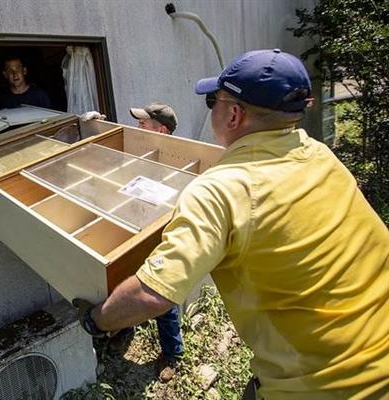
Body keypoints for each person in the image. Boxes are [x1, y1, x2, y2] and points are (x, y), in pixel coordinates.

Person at [73, 49, 389, 399]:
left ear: (234, 113)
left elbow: (152, 295)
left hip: (323, 387)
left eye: (213, 100)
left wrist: (96, 320)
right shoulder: (320, 155)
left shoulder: (220, 189)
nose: (211, 107)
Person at [82, 102, 183, 383]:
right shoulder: (142, 145)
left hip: (159, 236)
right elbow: (114, 148)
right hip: (132, 227)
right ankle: (125, 328)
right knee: (125, 283)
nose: (138, 127)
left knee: (161, 294)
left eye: (143, 123)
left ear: (161, 130)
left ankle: (173, 353)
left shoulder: (177, 155)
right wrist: (97, 124)